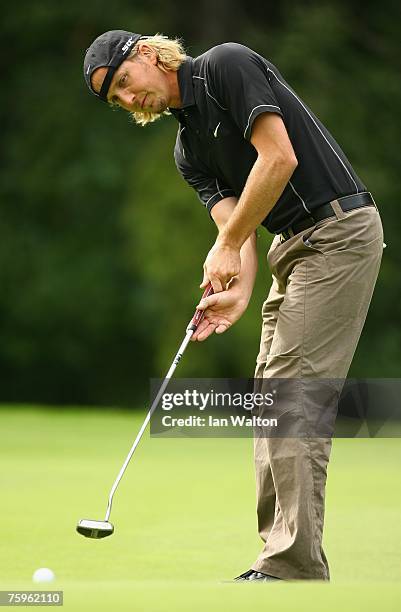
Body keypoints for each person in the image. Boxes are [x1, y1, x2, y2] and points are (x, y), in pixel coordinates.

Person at [83, 30, 384, 581]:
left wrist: (227, 244)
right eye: (116, 99)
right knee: (270, 395)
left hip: (340, 231)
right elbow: (237, 233)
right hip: (290, 249)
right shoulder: (187, 151)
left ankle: (293, 565)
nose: (129, 100)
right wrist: (236, 290)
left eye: (125, 83)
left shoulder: (224, 67)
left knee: (295, 391)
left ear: (148, 54)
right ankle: (279, 555)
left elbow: (279, 158)